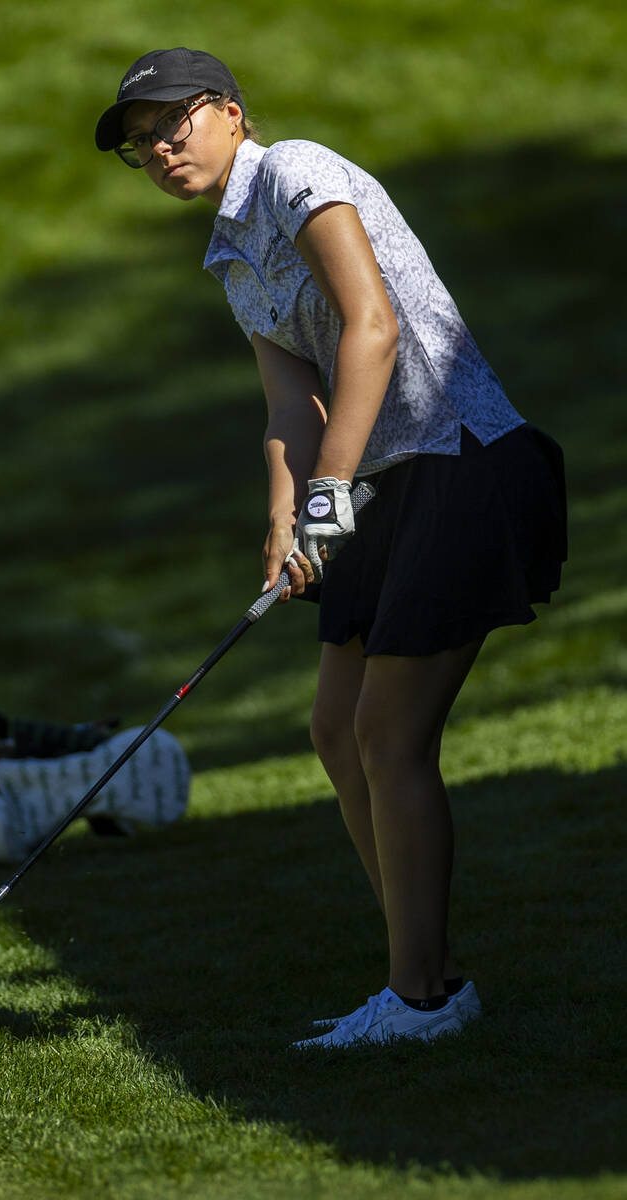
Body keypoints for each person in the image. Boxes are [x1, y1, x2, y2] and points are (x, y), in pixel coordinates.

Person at [94, 48, 567, 1048]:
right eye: (141, 145)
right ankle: (423, 973)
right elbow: (288, 398)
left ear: (230, 113)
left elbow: (373, 330)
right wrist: (287, 519)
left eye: (173, 123)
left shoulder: (299, 170)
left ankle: (423, 1000)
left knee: (390, 737)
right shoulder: (228, 254)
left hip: (461, 457)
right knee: (333, 726)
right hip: (382, 483)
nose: (160, 147)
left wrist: (327, 496)